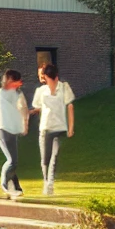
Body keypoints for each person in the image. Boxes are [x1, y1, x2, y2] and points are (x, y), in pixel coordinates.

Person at [31, 63, 75, 197]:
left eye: (52, 80)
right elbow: (38, 107)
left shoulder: (64, 87)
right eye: (47, 80)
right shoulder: (41, 91)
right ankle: (46, 181)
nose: (51, 83)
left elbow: (70, 107)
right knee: (45, 158)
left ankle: (50, 183)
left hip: (59, 127)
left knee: (54, 157)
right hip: (45, 127)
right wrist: (29, 112)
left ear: (56, 78)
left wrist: (71, 128)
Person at [0, 69, 28, 200]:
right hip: (1, 128)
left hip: (12, 129)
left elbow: (23, 109)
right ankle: (4, 184)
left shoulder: (17, 95)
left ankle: (16, 186)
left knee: (14, 160)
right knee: (11, 160)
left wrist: (25, 125)